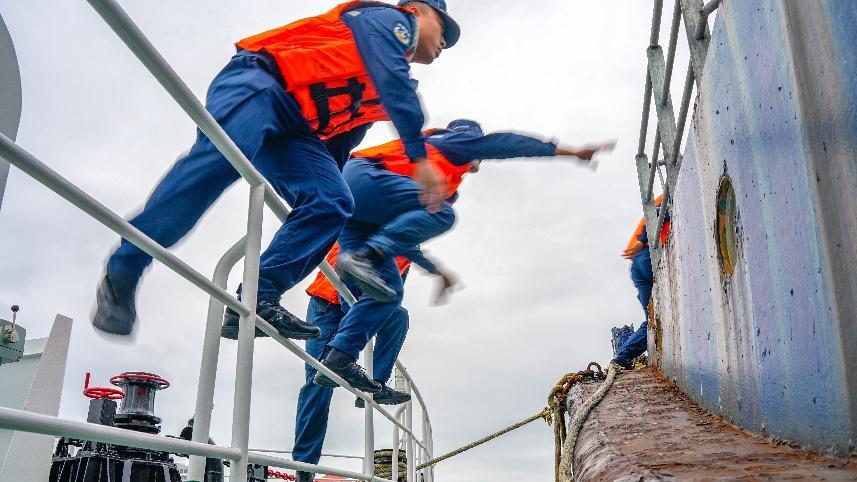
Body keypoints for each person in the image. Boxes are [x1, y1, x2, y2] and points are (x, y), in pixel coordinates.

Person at [91, 0, 461, 339]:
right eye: (443, 29)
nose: (445, 43)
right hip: (262, 82)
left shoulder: (386, 86)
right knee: (221, 159)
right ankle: (124, 270)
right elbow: (395, 84)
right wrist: (419, 157)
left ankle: (257, 299)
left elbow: (340, 144)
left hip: (296, 130)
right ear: (415, 10)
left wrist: (313, 204)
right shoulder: (391, 22)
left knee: (333, 201)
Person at [315, 119, 615, 392]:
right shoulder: (454, 143)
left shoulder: (442, 176)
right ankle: (365, 256)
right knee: (442, 212)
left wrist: (436, 270)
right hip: (363, 179)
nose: (479, 159)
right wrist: (572, 152)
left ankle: (339, 357)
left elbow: (404, 239)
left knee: (388, 293)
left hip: (358, 211)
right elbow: (507, 144)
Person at [292, 243, 453, 482]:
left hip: (358, 307)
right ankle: (304, 470)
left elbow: (391, 292)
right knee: (318, 383)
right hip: (329, 306)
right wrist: (354, 331)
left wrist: (440, 272)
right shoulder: (373, 221)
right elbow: (346, 270)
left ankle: (374, 383)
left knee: (398, 316)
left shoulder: (407, 246)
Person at [613, 195, 670, 369]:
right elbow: (659, 213)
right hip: (649, 256)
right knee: (660, 316)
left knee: (652, 319)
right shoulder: (672, 191)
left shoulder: (661, 197)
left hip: (638, 265)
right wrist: (642, 239)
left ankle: (622, 357)